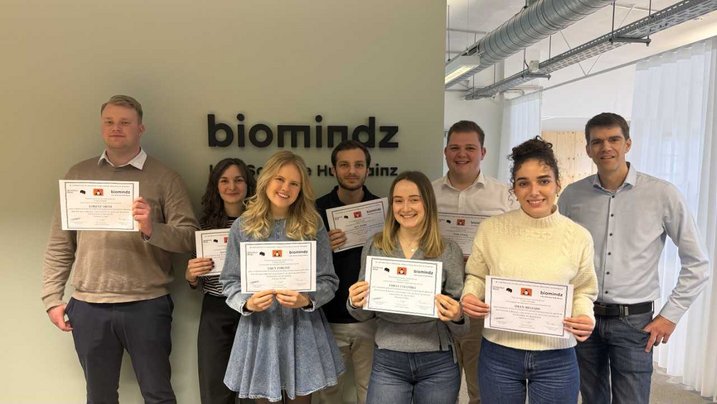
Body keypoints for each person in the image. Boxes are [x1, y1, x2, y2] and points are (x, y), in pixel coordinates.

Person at [41, 95, 199, 404]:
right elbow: (60, 243)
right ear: (102, 126)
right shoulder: (78, 175)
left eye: (125, 122)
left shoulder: (165, 177)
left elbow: (189, 238)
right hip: (88, 306)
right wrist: (51, 298)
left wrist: (152, 228)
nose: (116, 128)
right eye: (110, 122)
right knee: (99, 397)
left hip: (147, 304)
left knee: (158, 394)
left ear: (141, 128)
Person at [558, 112, 710, 404]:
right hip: (583, 315)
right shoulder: (572, 196)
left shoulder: (663, 194)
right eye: (597, 142)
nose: (606, 147)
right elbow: (559, 255)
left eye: (614, 139)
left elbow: (698, 263)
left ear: (627, 144)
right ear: (588, 149)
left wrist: (670, 316)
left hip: (634, 322)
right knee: (591, 398)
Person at [462, 137, 598, 403]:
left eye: (543, 181)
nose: (534, 191)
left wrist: (584, 315)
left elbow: (583, 289)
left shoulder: (578, 236)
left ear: (558, 183)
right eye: (524, 183)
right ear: (514, 189)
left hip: (556, 355)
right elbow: (477, 275)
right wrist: (470, 295)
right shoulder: (491, 229)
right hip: (499, 351)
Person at [220, 151, 344, 404]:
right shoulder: (242, 226)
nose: (285, 188)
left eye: (294, 183)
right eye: (279, 179)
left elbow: (329, 280)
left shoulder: (313, 224)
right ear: (266, 180)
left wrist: (307, 299)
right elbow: (229, 281)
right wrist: (247, 303)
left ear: (301, 189)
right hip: (260, 329)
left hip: (303, 328)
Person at [348, 171, 467, 404]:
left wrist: (458, 316)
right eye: (398, 200)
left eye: (414, 199)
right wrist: (354, 302)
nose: (405, 208)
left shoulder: (449, 250)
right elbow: (362, 314)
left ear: (427, 203)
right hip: (388, 359)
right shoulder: (376, 246)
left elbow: (462, 328)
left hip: (437, 362)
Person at [431, 120, 517, 404]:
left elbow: (518, 244)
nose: (462, 154)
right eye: (455, 147)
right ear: (445, 152)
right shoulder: (428, 193)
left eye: (470, 148)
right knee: (438, 390)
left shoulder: (505, 196)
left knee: (480, 389)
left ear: (483, 152)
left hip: (482, 305)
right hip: (437, 302)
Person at [185, 158, 256, 404]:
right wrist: (191, 277)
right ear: (216, 186)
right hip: (216, 309)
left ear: (248, 185)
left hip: (254, 309)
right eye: (224, 181)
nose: (232, 187)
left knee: (252, 390)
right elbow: (197, 279)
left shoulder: (262, 224)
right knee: (214, 386)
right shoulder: (205, 226)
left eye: (238, 180)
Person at [315, 140, 379, 404]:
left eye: (358, 165)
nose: (352, 171)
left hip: (370, 319)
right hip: (327, 319)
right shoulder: (315, 210)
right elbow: (298, 264)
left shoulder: (382, 210)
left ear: (368, 170)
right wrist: (322, 246)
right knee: (329, 394)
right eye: (344, 165)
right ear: (333, 170)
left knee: (370, 392)